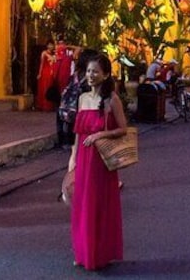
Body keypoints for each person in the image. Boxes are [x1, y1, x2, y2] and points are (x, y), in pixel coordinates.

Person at [68, 53, 126, 270]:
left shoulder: (112, 99)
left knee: (97, 205)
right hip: (83, 159)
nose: (90, 75)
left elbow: (123, 129)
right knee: (81, 205)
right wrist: (73, 157)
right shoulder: (82, 98)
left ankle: (98, 253)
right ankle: (82, 251)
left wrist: (100, 135)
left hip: (101, 162)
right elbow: (78, 131)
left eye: (95, 72)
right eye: (88, 71)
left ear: (105, 75)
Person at [57, 49, 98, 149]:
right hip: (82, 111)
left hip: (70, 108)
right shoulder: (90, 77)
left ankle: (67, 142)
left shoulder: (74, 75)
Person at [36, 40, 58, 111]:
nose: (51, 46)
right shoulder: (44, 53)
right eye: (49, 45)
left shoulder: (54, 54)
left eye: (52, 45)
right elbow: (41, 64)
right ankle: (44, 106)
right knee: (44, 88)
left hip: (52, 73)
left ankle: (50, 106)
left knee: (50, 87)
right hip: (45, 72)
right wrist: (39, 73)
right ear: (47, 45)